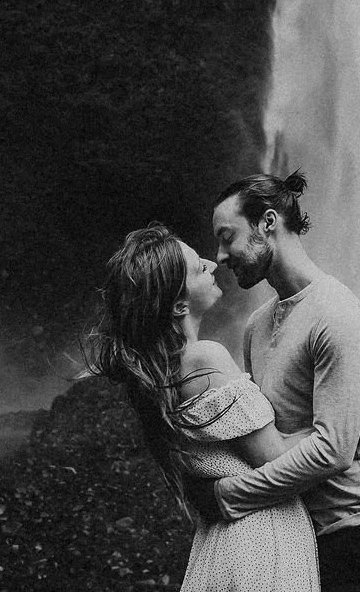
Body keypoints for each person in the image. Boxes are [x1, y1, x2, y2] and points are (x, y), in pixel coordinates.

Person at [197, 170, 360, 592]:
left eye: (227, 237)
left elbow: (333, 453)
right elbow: (263, 435)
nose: (220, 256)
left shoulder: (336, 315)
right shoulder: (255, 327)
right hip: (301, 537)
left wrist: (230, 497)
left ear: (268, 223)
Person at [87, 223, 320, 592]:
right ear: (180, 305)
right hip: (259, 541)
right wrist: (344, 421)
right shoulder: (204, 357)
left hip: (222, 543)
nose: (213, 263)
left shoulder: (165, 371)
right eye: (199, 267)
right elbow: (276, 458)